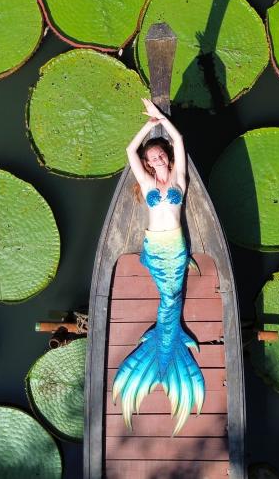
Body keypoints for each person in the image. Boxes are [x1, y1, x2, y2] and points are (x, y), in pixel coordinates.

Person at [111, 98, 205, 436]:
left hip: (176, 248)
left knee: (170, 296)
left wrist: (163, 119)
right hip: (154, 245)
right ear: (148, 164)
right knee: (169, 295)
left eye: (159, 154)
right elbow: (128, 150)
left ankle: (164, 347)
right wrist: (149, 126)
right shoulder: (148, 184)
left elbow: (179, 142)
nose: (157, 158)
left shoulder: (179, 179)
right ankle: (167, 345)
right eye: (151, 158)